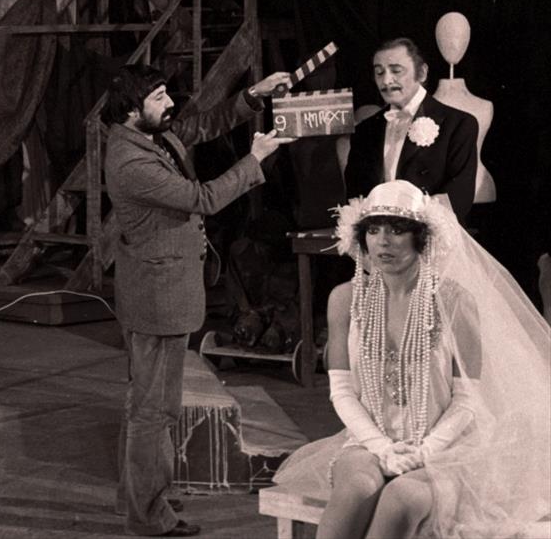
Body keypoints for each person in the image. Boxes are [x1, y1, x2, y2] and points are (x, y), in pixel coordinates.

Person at [274, 180, 551, 539]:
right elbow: (341, 391)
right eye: (374, 230)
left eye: (397, 229)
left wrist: (423, 452)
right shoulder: (344, 299)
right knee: (357, 488)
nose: (383, 241)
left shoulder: (455, 301)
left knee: (402, 498)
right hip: (369, 439)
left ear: (422, 238)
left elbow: (466, 400)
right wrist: (383, 448)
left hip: (447, 446)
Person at [104, 64, 294, 537]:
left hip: (157, 288)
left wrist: (254, 94)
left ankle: (136, 500)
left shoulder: (147, 136)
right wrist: (254, 160)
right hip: (157, 296)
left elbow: (202, 126)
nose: (171, 104)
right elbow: (204, 198)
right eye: (159, 97)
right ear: (131, 110)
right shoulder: (132, 163)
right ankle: (149, 517)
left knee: (146, 406)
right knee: (154, 412)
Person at [344, 37, 478, 222]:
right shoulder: (365, 131)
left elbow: (459, 196)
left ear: (421, 73)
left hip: (431, 234)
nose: (386, 80)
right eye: (379, 72)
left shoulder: (459, 124)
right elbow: (354, 195)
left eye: (396, 71)